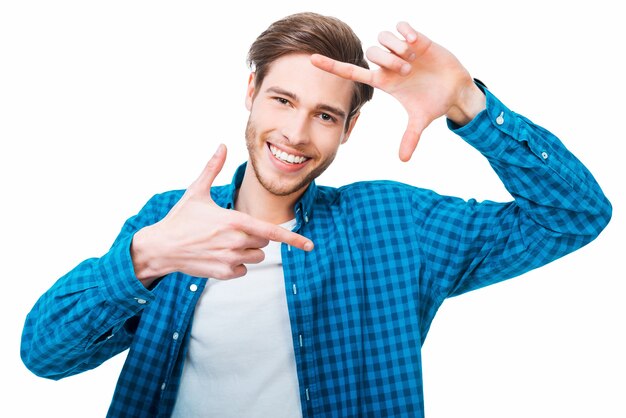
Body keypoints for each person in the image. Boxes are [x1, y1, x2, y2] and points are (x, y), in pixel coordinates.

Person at [21, 11, 611, 418]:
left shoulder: (396, 225)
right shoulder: (172, 221)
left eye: (326, 115)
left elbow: (574, 214)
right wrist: (143, 259)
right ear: (251, 92)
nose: (297, 134)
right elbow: (44, 356)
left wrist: (468, 104)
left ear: (350, 128)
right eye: (283, 100)